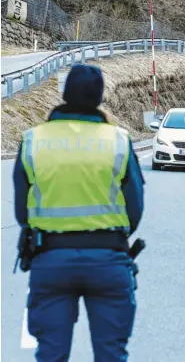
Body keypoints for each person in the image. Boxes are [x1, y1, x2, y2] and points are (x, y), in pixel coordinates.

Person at [13, 64, 145, 361]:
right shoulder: (119, 141)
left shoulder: (34, 140)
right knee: (111, 353)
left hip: (50, 260)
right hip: (108, 261)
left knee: (51, 353)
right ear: (100, 97)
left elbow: (22, 210)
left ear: (64, 94)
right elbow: (135, 208)